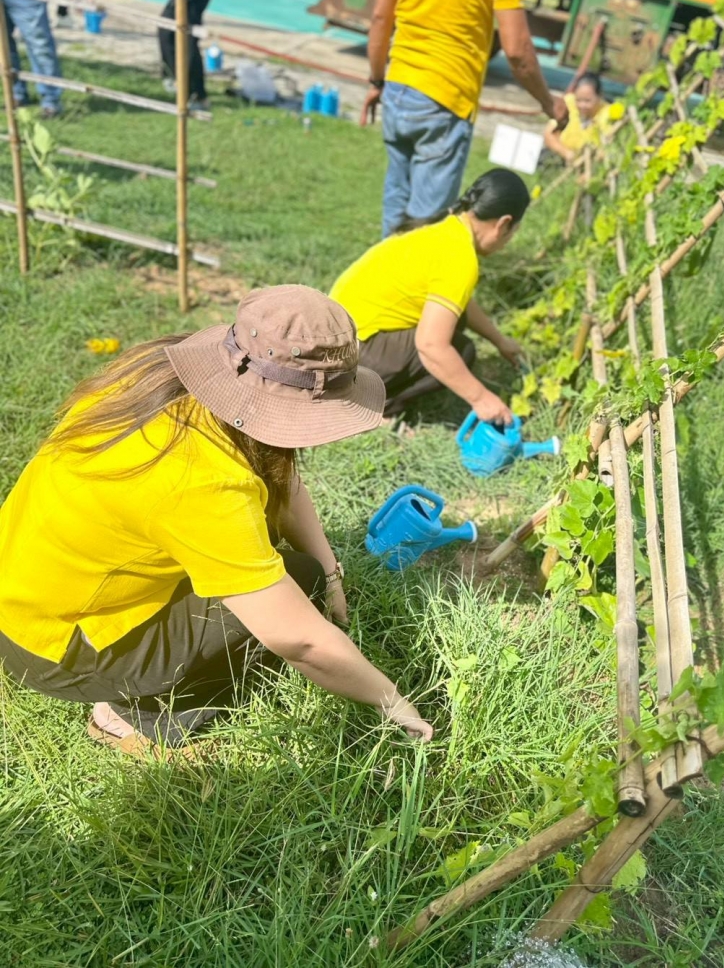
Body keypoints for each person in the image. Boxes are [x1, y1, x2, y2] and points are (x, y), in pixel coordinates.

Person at [0, 286, 434, 753]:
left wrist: (332, 574)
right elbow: (300, 641)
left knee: (301, 568)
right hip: (55, 645)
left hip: (22, 588)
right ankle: (135, 716)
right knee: (296, 581)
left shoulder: (162, 374)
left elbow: (281, 478)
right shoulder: (202, 481)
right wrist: (393, 701)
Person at [359, 0, 567, 238]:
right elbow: (517, 51)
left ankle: (381, 268)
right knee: (425, 230)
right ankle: (407, 271)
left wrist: (377, 80)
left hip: (398, 88)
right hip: (446, 98)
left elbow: (382, 17)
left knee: (396, 204)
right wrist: (549, 102)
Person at [330, 169, 529, 424]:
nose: (508, 241)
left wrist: (499, 341)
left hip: (331, 339)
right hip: (348, 356)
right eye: (513, 232)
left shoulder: (446, 229)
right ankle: (368, 405)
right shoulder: (460, 256)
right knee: (461, 350)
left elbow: (458, 301)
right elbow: (431, 346)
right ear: (503, 224)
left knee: (454, 320)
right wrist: (481, 398)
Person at [544, 72, 613, 164]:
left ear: (599, 96)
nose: (582, 105)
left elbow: (606, 148)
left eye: (587, 101)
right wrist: (566, 153)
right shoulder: (568, 103)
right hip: (560, 157)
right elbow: (548, 134)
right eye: (578, 100)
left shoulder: (607, 114)